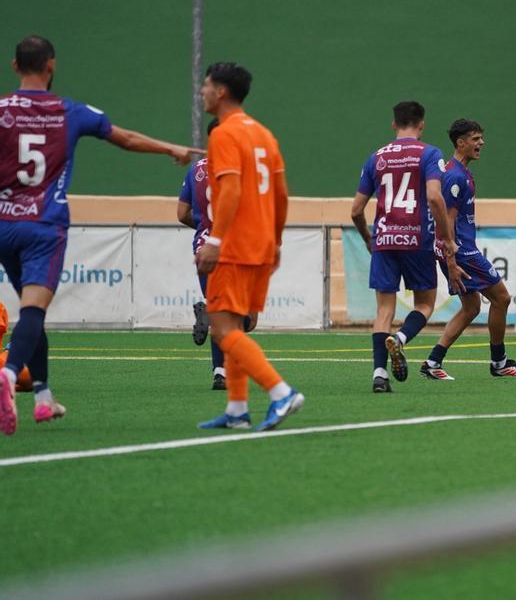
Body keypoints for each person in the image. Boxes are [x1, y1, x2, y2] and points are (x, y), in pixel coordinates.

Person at [0, 35, 195, 436]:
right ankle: (6, 375)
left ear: (15, 66)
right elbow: (124, 138)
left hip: (4, 225)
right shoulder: (69, 111)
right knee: (33, 312)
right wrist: (168, 148)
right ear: (51, 66)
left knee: (31, 314)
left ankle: (42, 399)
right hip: (43, 226)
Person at [194, 62, 304, 431]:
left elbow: (231, 190)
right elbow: (282, 195)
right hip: (260, 246)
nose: (202, 91)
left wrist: (215, 240)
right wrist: (276, 241)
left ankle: (280, 393)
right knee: (235, 327)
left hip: (234, 246)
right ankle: (238, 410)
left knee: (223, 329)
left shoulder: (223, 134)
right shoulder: (263, 134)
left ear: (221, 92)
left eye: (206, 85)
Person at [350, 101, 462, 393]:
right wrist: (448, 239)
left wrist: (367, 238)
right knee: (424, 304)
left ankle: (379, 375)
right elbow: (435, 198)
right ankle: (399, 339)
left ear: (393, 124)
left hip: (385, 240)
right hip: (417, 239)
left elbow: (355, 210)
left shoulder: (376, 157)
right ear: (421, 124)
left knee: (383, 311)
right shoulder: (430, 154)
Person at [419, 119, 516, 380]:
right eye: (476, 138)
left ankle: (433, 362)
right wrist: (451, 261)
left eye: (481, 138)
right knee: (502, 298)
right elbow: (446, 221)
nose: (481, 143)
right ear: (461, 142)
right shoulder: (455, 176)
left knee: (471, 307)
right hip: (461, 252)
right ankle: (499, 362)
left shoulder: (457, 172)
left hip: (455, 250)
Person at [178, 119, 256, 391]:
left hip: (203, 248)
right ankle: (210, 319)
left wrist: (203, 227)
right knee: (246, 318)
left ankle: (220, 372)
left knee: (220, 309)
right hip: (235, 248)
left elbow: (181, 213)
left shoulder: (196, 169)